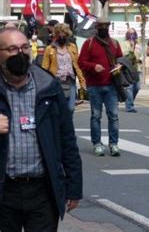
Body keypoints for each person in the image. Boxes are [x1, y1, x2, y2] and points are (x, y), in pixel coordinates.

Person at [0, 28, 82, 230]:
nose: (20, 53)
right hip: (4, 192)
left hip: (42, 191)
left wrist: (73, 188)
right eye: (12, 49)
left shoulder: (48, 87)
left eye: (24, 47)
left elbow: (67, 139)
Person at [78, 18, 123, 157]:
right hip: (94, 86)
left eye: (106, 26)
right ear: (96, 28)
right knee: (95, 116)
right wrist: (93, 66)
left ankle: (113, 144)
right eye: (101, 26)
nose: (104, 29)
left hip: (111, 85)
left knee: (113, 116)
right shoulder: (89, 44)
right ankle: (97, 143)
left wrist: (119, 66)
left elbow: (121, 59)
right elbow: (81, 62)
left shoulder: (114, 43)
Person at [42, 23, 86, 113]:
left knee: (71, 108)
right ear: (56, 35)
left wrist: (82, 82)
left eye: (64, 34)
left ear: (67, 35)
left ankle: (67, 126)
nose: (62, 36)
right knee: (58, 108)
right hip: (56, 81)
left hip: (70, 81)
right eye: (59, 34)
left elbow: (77, 65)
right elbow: (44, 67)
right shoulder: (50, 49)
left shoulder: (72, 47)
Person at [123, 28, 142, 113]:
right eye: (130, 33)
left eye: (133, 33)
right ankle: (129, 106)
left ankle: (130, 100)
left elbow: (141, 55)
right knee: (129, 88)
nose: (132, 35)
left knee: (137, 87)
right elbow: (125, 55)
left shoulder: (138, 44)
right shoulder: (124, 44)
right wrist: (131, 47)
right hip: (128, 68)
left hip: (137, 68)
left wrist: (140, 59)